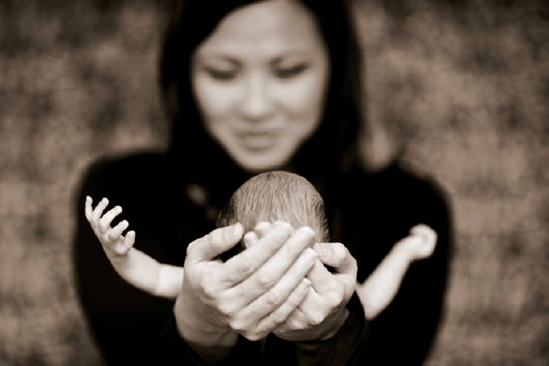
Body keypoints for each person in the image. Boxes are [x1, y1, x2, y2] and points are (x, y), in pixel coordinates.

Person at [72, 0, 453, 365]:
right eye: (222, 72)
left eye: (288, 70)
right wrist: (192, 320)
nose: (256, 107)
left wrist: (336, 331)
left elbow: (373, 308)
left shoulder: (407, 206)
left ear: (335, 66)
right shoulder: (126, 195)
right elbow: (152, 278)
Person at [84, 171, 437, 321]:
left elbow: (372, 299)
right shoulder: (222, 280)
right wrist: (120, 252)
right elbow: (157, 277)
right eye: (259, 249)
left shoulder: (323, 290)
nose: (273, 268)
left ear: (319, 252)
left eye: (292, 251)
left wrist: (403, 252)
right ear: (233, 249)